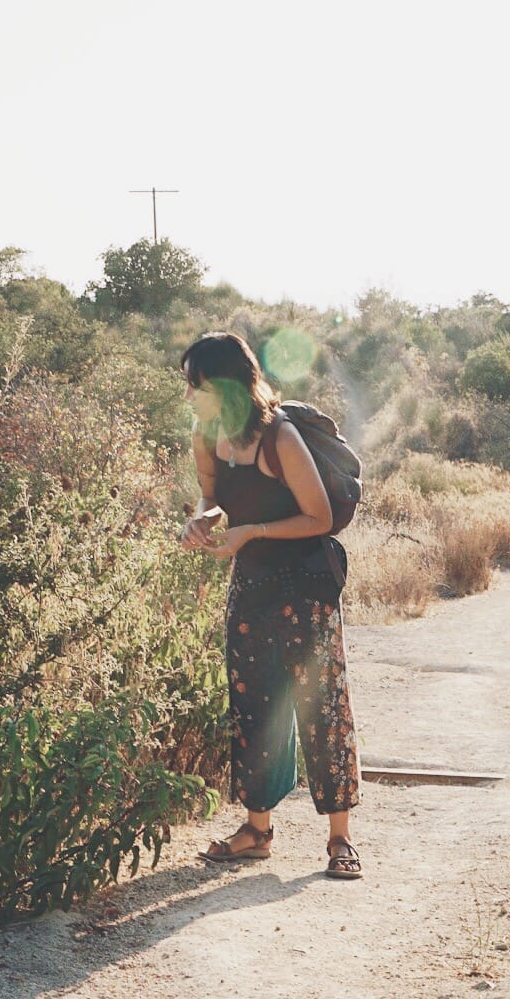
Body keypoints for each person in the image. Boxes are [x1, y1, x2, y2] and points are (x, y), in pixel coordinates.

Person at [177, 331, 362, 879]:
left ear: (230, 384)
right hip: (252, 589)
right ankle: (257, 830)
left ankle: (339, 839)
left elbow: (319, 518)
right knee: (253, 708)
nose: (190, 396)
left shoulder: (279, 437)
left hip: (306, 589)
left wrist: (249, 533)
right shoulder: (206, 435)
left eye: (198, 386)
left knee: (322, 707)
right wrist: (203, 519)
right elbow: (212, 498)